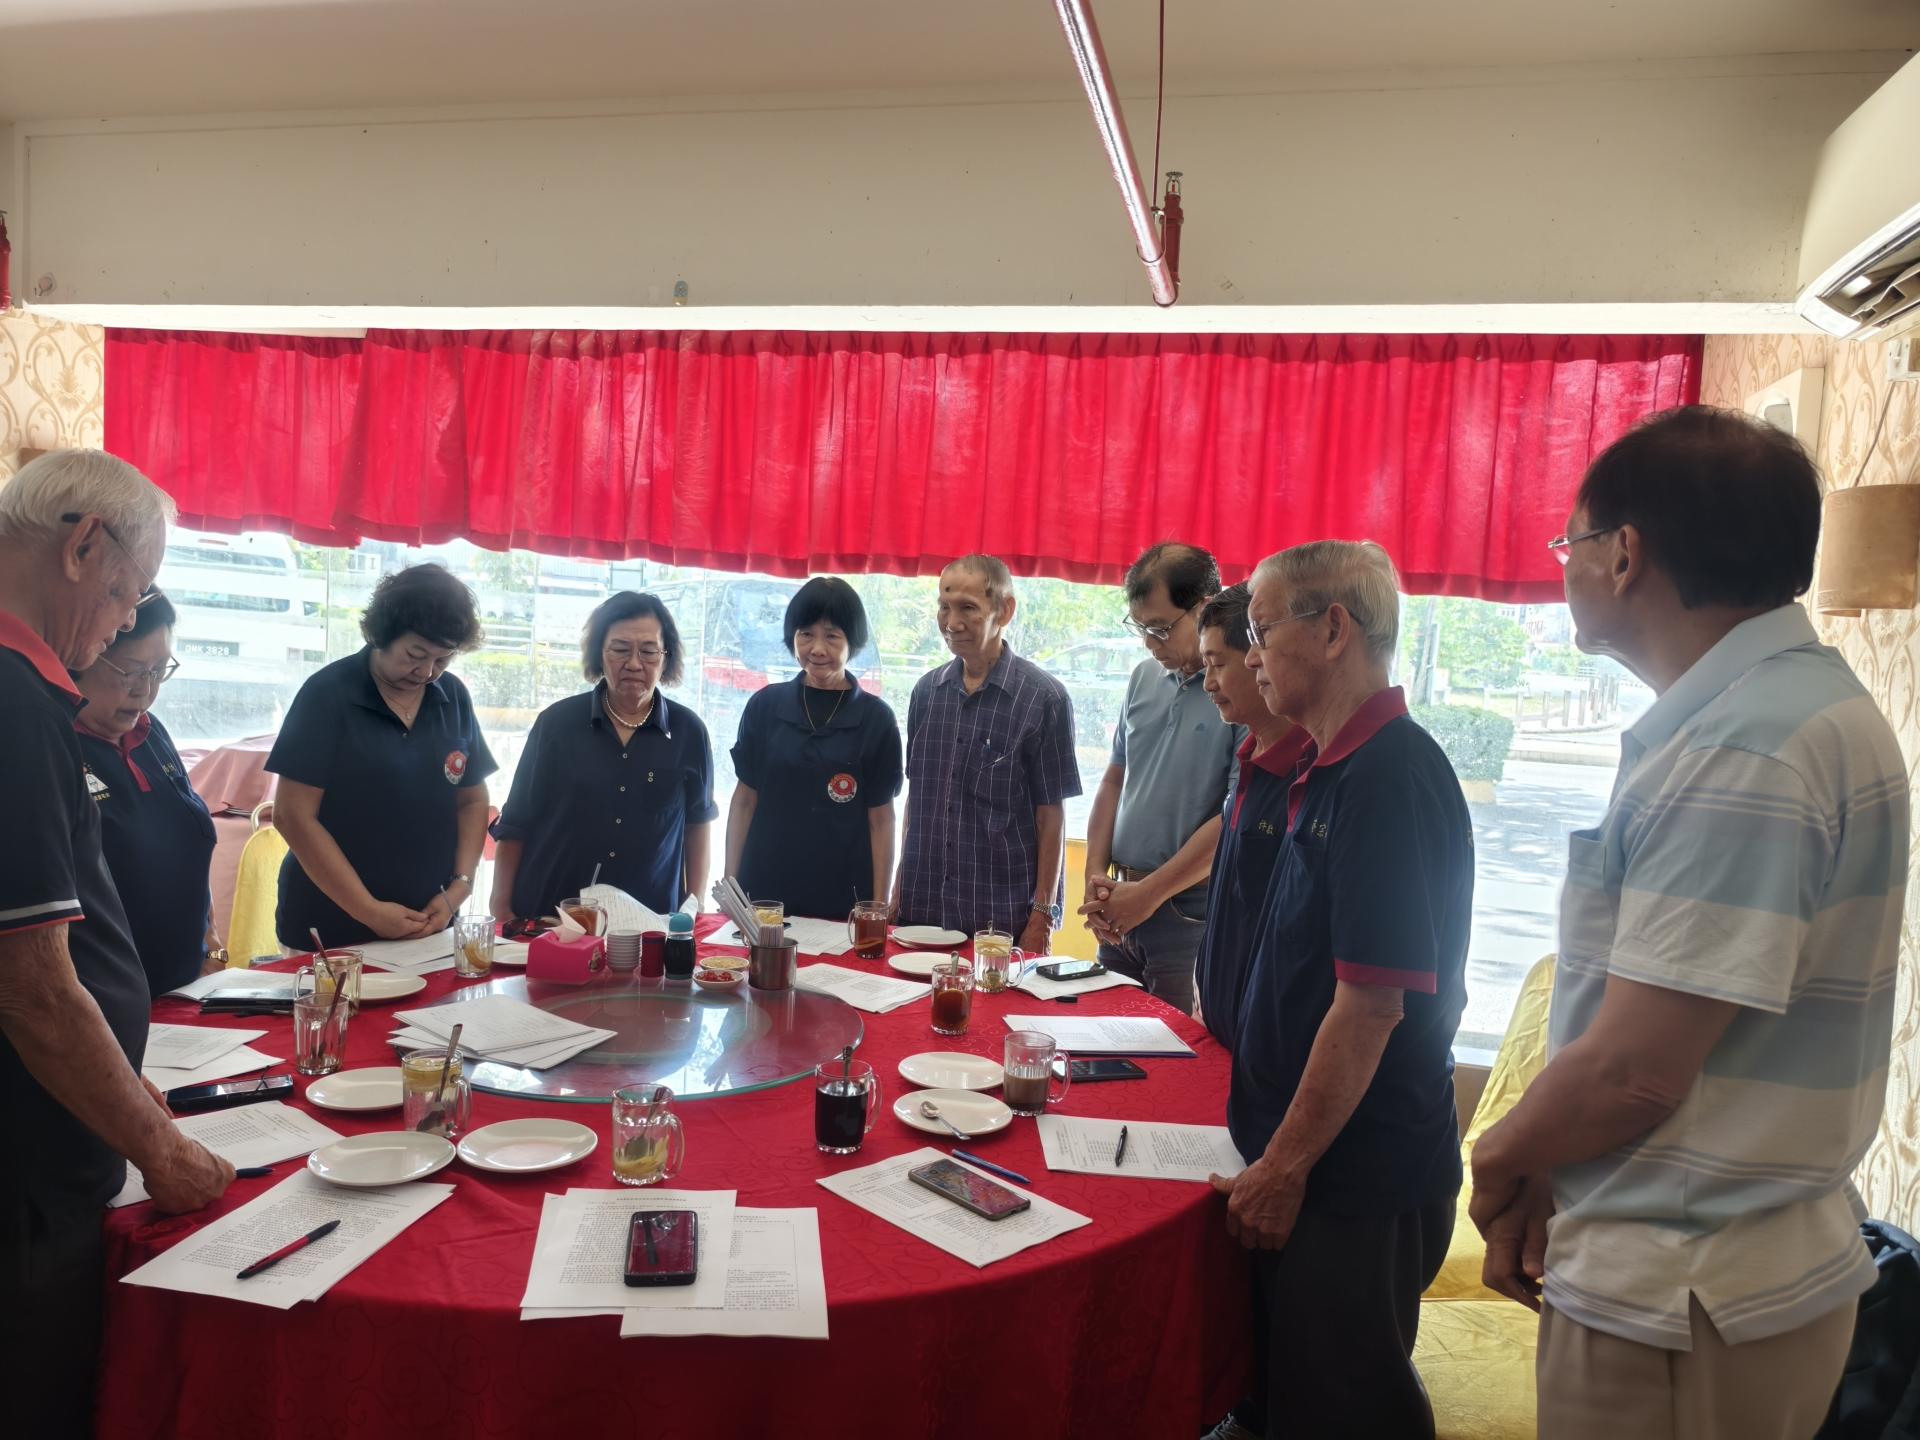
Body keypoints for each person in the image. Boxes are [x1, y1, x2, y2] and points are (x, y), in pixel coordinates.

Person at [1468, 406, 1907, 1440]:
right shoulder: (1794, 706)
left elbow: (1634, 1072)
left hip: (1682, 1293)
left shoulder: (1742, 749)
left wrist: (1499, 1157)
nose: (1564, 567)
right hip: (1728, 1273)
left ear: (1624, 555)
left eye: (1569, 543)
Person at [1205, 540, 1473, 1440]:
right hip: (1312, 1162)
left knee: (1345, 1411)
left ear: (1332, 631)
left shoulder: (1389, 776)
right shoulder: (1326, 765)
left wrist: (1283, 1168)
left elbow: (1370, 1009)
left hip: (1355, 1177)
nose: (1250, 657)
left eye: (1260, 631)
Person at [0, 450, 233, 1436]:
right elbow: (33, 988)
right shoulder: (16, 699)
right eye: (130, 594)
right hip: (26, 1177)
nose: (123, 622)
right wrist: (162, 1151)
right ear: (83, 547)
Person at [267, 564, 495, 949]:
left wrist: (460, 887)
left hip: (430, 921)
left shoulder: (452, 696)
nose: (426, 672)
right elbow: (292, 816)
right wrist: (368, 910)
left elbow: (472, 800)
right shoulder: (327, 695)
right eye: (415, 655)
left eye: (443, 660)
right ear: (382, 635)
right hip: (332, 926)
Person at [1080, 543, 1240, 1013]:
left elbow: (1235, 815)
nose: (1150, 644)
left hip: (1187, 912)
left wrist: (1147, 896)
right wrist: (1094, 876)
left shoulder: (1240, 689)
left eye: (1161, 629)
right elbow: (1114, 781)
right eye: (1140, 628)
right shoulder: (1143, 677)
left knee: (1175, 1048)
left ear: (1205, 609)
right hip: (1119, 903)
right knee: (1103, 1038)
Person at [491, 591, 717, 921]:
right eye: (620, 649)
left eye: (648, 651)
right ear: (600, 653)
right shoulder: (556, 724)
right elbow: (516, 821)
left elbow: (697, 824)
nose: (634, 664)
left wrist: (694, 907)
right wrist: (500, 907)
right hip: (551, 917)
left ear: (666, 658)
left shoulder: (689, 732)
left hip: (650, 922)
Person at [895, 555, 1079, 950]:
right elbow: (917, 800)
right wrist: (897, 891)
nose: (951, 622)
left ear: (1005, 611)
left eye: (968, 608)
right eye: (944, 607)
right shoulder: (926, 693)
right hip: (921, 908)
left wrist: (1042, 917)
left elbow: (1051, 816)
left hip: (1001, 919)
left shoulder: (1044, 698)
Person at [71, 591, 224, 995]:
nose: (146, 690)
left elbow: (187, 843)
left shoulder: (151, 733)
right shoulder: (54, 744)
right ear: (85, 656)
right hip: (103, 998)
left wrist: (211, 945)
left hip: (186, 989)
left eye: (159, 671)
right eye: (132, 672)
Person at [726, 577, 903, 918]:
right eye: (806, 634)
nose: (817, 649)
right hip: (763, 891)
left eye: (832, 636)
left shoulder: (876, 718)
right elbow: (744, 801)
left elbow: (882, 820)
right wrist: (730, 886)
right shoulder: (764, 706)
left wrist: (878, 908)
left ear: (853, 642)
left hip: (843, 897)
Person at [1187, 583, 1311, 1045]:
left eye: (1218, 664)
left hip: (1267, 1043)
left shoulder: (1310, 772)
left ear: (1260, 657)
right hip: (1222, 1029)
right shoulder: (1251, 758)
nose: (1208, 684)